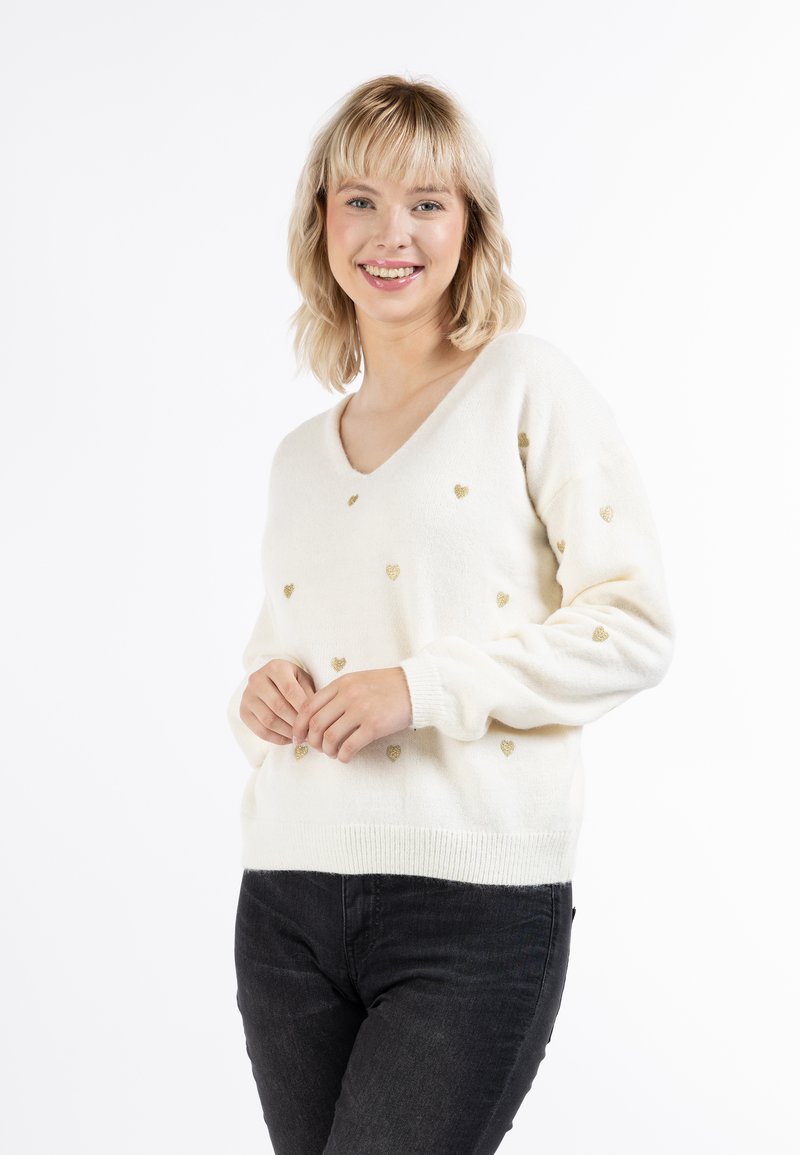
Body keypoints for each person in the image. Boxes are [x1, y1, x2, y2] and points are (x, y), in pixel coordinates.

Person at [227, 74, 675, 1155]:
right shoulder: (297, 457)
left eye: (427, 202)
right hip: (286, 899)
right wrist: (260, 696)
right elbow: (282, 656)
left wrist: (420, 691)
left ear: (469, 225)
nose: (392, 233)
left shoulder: (526, 386)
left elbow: (632, 626)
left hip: (470, 906)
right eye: (361, 201)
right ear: (321, 222)